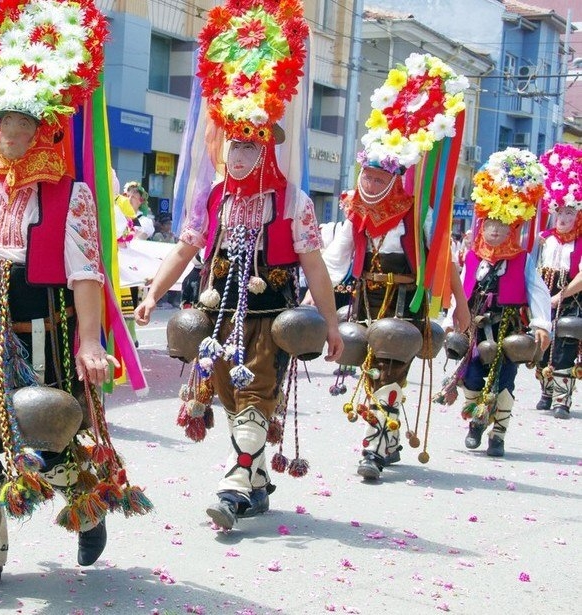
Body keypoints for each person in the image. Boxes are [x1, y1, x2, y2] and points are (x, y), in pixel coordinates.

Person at [0, 0, 136, 594]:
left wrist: (91, 341)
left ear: (48, 128)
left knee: (49, 437)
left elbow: (88, 273)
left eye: (23, 126)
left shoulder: (73, 195)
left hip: (42, 334)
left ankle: (85, 508)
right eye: (4, 124)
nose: (10, 136)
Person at [135, 0, 341, 530]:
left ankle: (233, 485)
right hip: (219, 321)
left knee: (254, 396)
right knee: (229, 397)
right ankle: (257, 479)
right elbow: (184, 249)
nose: (242, 156)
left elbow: (315, 268)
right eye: (235, 145)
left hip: (272, 322)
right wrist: (155, 294)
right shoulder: (213, 199)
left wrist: (333, 324)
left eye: (251, 146)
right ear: (222, 147)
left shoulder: (293, 201)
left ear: (267, 147)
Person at [322, 53, 472, 480]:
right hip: (366, 300)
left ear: (392, 180)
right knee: (372, 368)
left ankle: (372, 447)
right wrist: (314, 305)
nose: (369, 184)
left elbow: (443, 259)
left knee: (391, 367)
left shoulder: (414, 213)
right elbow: (333, 264)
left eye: (377, 179)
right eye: (365, 177)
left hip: (406, 299)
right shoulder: (355, 212)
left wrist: (459, 306)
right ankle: (386, 438)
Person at [453, 148, 550, 457]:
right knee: (470, 377)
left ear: (513, 228)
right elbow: (461, 289)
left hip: (509, 325)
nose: (494, 231)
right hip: (476, 327)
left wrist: (542, 324)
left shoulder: (522, 260)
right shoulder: (472, 257)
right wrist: (449, 320)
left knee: (504, 380)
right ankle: (475, 423)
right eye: (489, 224)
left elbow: (538, 292)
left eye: (501, 226)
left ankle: (498, 433)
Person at [534, 143, 582, 420]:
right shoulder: (546, 239)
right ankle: (546, 391)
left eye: (569, 213)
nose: (563, 218)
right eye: (560, 212)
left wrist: (561, 295)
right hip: (546, 288)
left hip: (571, 295)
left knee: (564, 343)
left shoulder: (580, 241)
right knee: (542, 343)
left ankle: (562, 399)